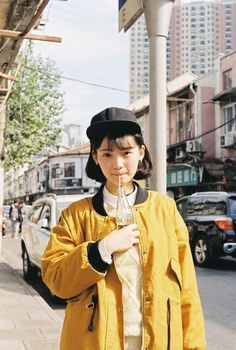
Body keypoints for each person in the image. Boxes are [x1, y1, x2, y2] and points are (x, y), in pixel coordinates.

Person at [41, 107, 206, 350]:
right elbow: (55, 279)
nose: (117, 163)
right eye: (107, 154)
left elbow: (187, 289)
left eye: (126, 152)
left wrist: (193, 346)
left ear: (141, 152)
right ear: (95, 157)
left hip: (159, 340)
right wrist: (101, 250)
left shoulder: (165, 210)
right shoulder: (77, 215)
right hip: (95, 342)